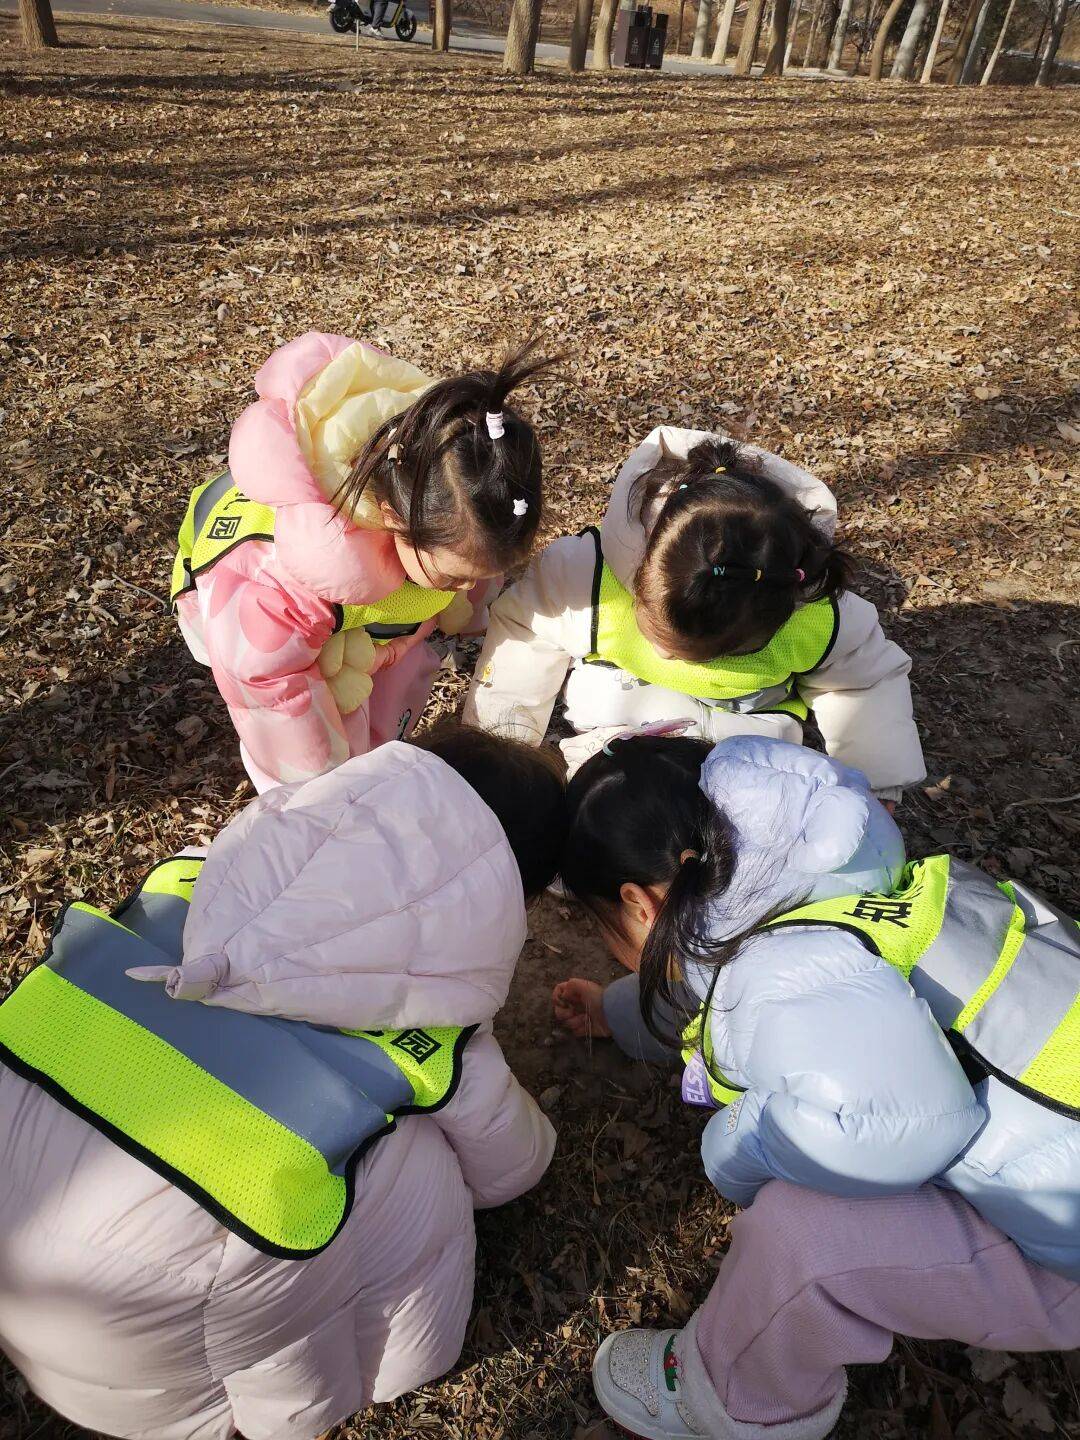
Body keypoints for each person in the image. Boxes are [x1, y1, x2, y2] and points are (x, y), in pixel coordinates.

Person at [0, 725, 566, 1440]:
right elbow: (510, 1168)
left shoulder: (187, 876)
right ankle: (363, 1384)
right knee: (413, 1163)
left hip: (18, 1228)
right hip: (143, 1348)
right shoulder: (437, 1028)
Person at [554, 733, 1080, 1440]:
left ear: (639, 906)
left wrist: (738, 1143)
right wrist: (617, 1012)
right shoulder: (841, 882)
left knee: (800, 1241)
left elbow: (910, 1123)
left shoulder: (775, 973)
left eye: (604, 928)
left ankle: (731, 1398)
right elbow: (703, 989)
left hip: (1065, 1250)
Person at [173, 331, 551, 792]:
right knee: (328, 726)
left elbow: (464, 567)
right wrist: (318, 790)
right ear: (392, 516)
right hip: (236, 614)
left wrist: (467, 604)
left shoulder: (454, 496)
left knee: (386, 693)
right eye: (453, 578)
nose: (461, 589)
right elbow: (267, 686)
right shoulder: (282, 580)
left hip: (358, 613)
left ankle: (375, 757)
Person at [464, 427, 924, 800]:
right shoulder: (588, 574)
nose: (674, 661)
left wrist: (876, 784)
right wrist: (499, 746)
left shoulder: (817, 614)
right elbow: (526, 633)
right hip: (617, 730)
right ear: (638, 574)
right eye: (661, 636)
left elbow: (864, 683)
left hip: (747, 744)